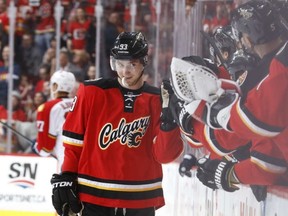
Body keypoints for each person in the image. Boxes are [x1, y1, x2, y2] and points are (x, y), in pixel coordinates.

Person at [50, 31, 183, 216]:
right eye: (120, 64)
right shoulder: (91, 92)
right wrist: (67, 175)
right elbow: (74, 144)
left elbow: (164, 156)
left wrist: (170, 122)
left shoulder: (157, 99)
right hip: (94, 193)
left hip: (141, 197)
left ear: (143, 62)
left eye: (132, 64)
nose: (125, 71)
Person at [171, 0, 288, 192]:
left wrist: (203, 112)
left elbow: (253, 127)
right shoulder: (274, 63)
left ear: (248, 39)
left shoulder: (272, 69)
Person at [33, 70, 76, 170]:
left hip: (66, 168)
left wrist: (36, 146)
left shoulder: (48, 108)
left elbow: (44, 149)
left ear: (56, 86)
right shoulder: (81, 104)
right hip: (87, 165)